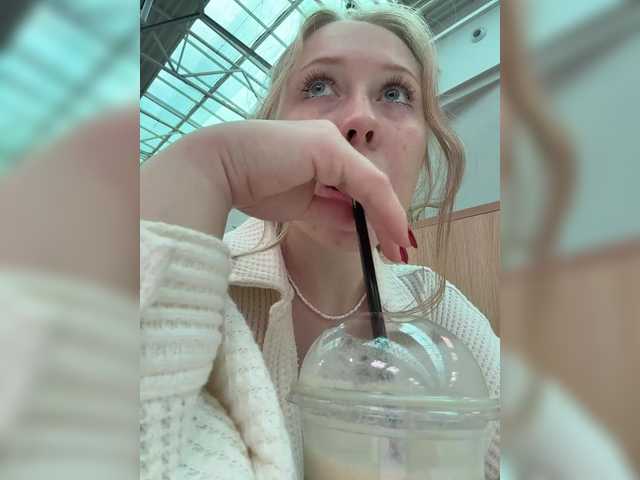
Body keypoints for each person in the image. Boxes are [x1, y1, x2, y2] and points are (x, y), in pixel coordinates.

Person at [140, 4, 500, 480]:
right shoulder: (193, 289)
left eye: (395, 93)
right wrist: (206, 166)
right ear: (270, 126)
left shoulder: (442, 313)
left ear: (425, 150)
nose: (359, 118)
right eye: (319, 86)